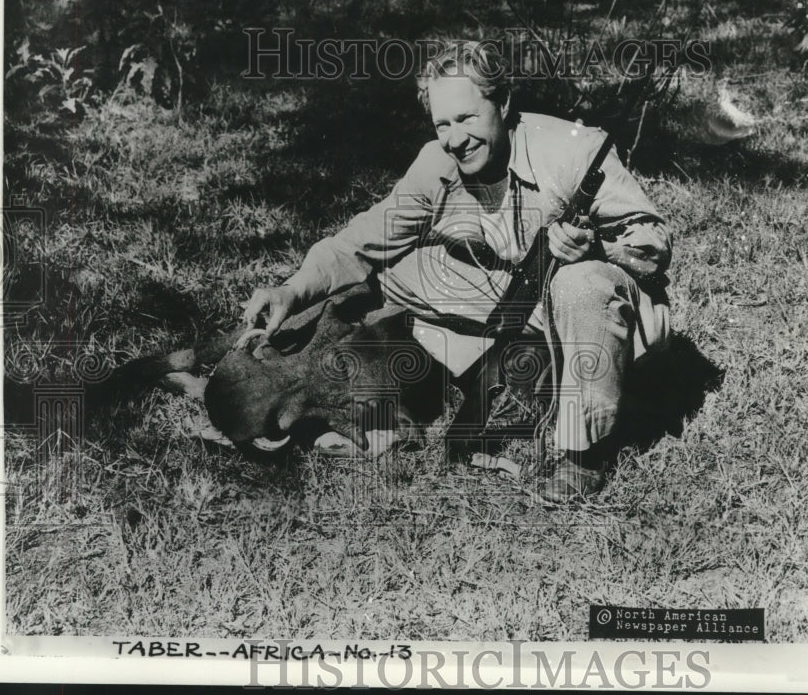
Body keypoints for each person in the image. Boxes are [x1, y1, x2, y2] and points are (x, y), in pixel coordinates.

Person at [243, 40, 671, 503]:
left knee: (578, 284)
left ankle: (583, 452)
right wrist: (292, 290)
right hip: (508, 293)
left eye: (467, 118)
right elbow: (360, 241)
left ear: (503, 102)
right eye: (442, 124)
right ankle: (283, 365)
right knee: (391, 268)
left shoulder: (573, 151)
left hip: (597, 299)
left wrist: (595, 249)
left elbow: (653, 243)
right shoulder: (438, 162)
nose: (455, 138)